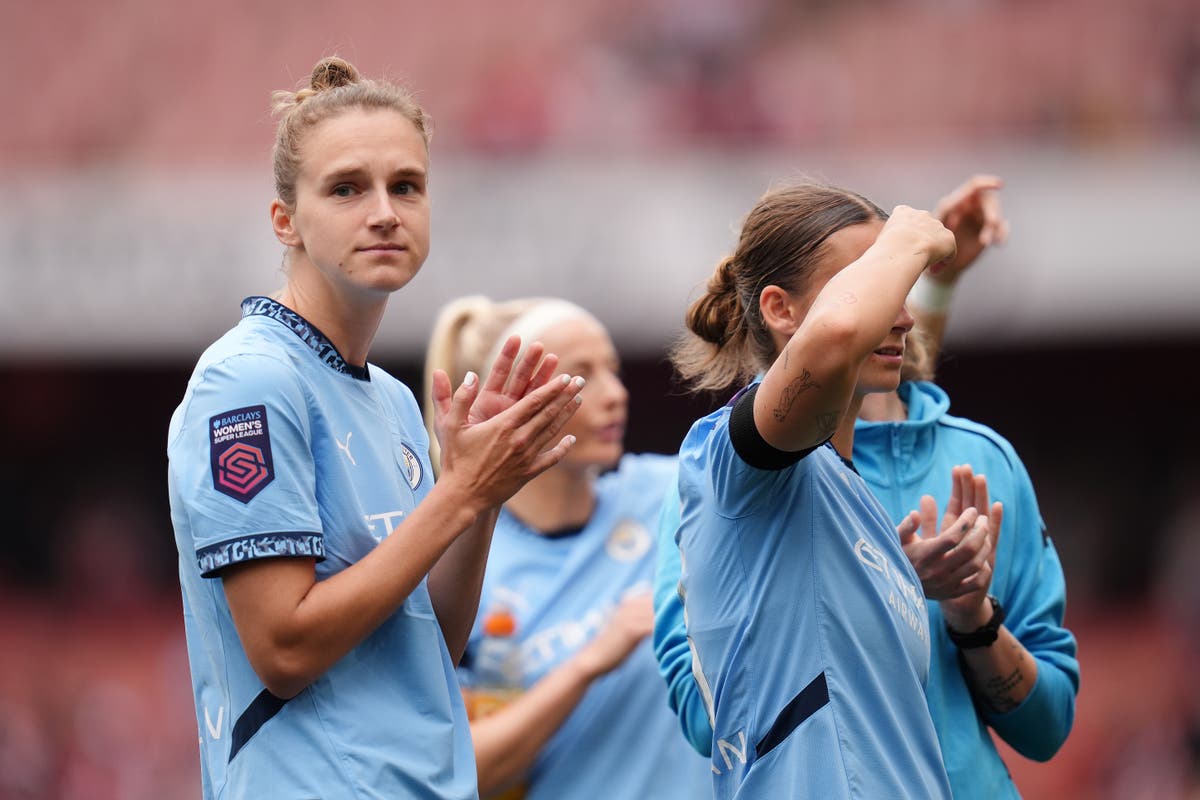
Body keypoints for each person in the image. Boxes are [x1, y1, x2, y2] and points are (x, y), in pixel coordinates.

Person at [166, 57, 585, 800]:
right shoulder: (250, 381)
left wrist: (484, 498)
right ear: (284, 220)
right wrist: (457, 495)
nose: (385, 211)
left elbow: (436, 641)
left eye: (407, 186)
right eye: (347, 188)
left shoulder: (390, 399)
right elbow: (284, 649)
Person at [655, 177, 1080, 798]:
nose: (900, 313)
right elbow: (831, 343)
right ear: (779, 309)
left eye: (903, 292)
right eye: (873, 284)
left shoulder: (859, 507)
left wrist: (967, 614)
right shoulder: (731, 459)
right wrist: (909, 238)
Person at [423, 297, 711, 799]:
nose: (616, 394)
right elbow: (452, 774)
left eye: (613, 371)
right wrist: (590, 662)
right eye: (581, 376)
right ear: (512, 394)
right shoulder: (463, 567)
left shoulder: (673, 492)